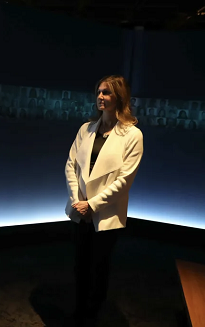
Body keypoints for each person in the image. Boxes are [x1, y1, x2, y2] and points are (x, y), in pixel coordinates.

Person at [64, 75, 143, 327]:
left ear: (119, 97)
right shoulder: (85, 129)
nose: (100, 97)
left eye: (107, 93)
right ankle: (77, 312)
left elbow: (124, 180)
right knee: (80, 266)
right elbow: (70, 165)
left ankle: (91, 316)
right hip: (80, 211)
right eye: (99, 92)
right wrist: (79, 201)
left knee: (98, 268)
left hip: (105, 215)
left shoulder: (132, 135)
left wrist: (93, 204)